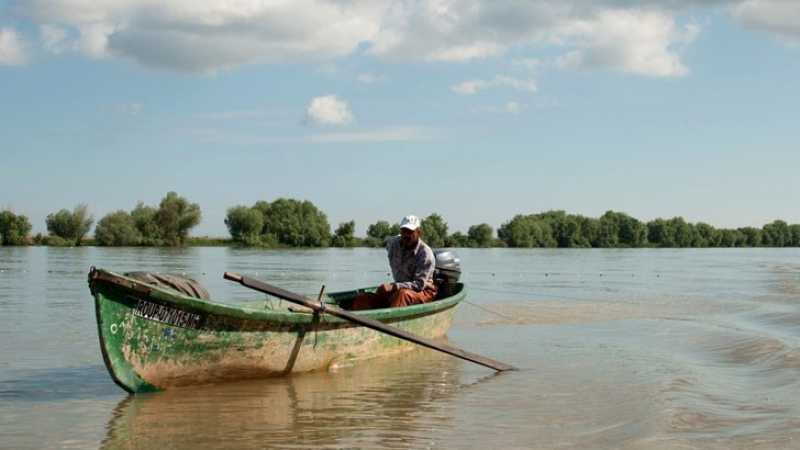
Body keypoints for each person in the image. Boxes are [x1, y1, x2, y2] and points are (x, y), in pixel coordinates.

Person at [352, 215, 438, 310]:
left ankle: (390, 321)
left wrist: (393, 287)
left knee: (402, 295)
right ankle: (360, 322)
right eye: (403, 231)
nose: (406, 235)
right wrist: (392, 288)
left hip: (422, 292)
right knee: (362, 299)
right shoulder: (393, 243)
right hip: (399, 288)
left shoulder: (425, 254)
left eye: (410, 232)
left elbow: (419, 285)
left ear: (418, 233)